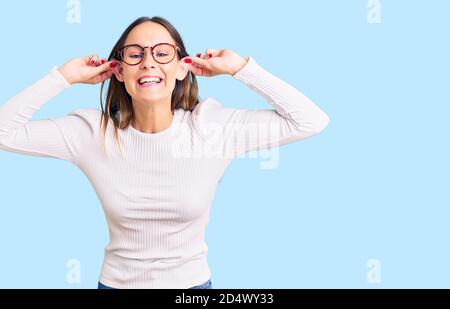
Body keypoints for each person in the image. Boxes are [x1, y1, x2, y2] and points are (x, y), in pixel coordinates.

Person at [0, 16, 330, 289]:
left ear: (183, 67)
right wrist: (64, 77)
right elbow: (4, 132)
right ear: (119, 71)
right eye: (135, 54)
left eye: (162, 53)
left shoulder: (212, 127)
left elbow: (310, 121)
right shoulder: (91, 133)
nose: (148, 63)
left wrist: (241, 68)